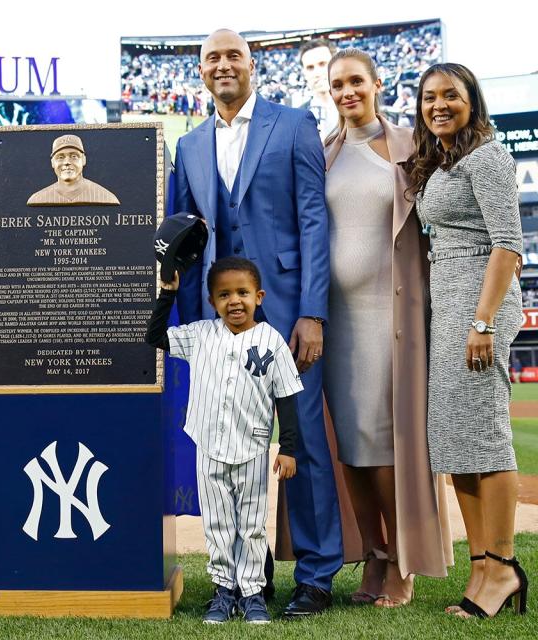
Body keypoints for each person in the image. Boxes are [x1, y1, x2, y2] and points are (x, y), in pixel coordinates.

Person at [174, 29, 342, 617]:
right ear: (200, 71)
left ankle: (317, 574)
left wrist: (313, 313)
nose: (223, 64)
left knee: (303, 440)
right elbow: (185, 237)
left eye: (233, 55)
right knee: (230, 446)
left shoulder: (293, 124)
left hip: (289, 306)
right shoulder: (189, 145)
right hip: (219, 318)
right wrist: (189, 318)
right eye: (212, 57)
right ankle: (250, 577)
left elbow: (314, 220)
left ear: (252, 64)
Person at [322, 48, 451, 608]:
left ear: (376, 84)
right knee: (348, 445)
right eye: (337, 85)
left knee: (385, 446)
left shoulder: (409, 147)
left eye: (356, 82)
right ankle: (372, 557)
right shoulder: (321, 153)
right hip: (334, 323)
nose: (347, 92)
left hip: (390, 318)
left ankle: (401, 560)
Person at [408, 63, 528, 619]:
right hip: (447, 308)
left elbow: (508, 244)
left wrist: (482, 322)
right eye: (430, 97)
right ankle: (481, 566)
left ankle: (502, 568)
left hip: (477, 310)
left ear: (472, 100)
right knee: (455, 443)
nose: (439, 105)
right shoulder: (446, 158)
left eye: (450, 95)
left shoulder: (488, 156)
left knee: (485, 437)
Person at [147, 258, 301, 624]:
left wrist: (290, 448)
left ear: (258, 296)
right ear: (213, 300)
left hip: (253, 449)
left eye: (243, 293)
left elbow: (288, 397)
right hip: (210, 446)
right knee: (217, 524)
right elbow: (155, 336)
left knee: (250, 525)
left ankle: (252, 594)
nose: (235, 301)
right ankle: (223, 591)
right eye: (224, 294)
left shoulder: (272, 341)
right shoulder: (201, 335)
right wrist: (167, 293)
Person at [26, 134, 120, 206]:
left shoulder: (105, 197)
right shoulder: (37, 199)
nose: (67, 162)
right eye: (60, 157)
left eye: (74, 156)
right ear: (52, 163)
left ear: (83, 160)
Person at [297, 39, 339, 141]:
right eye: (310, 68)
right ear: (304, 73)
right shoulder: (298, 117)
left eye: (323, 64)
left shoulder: (356, 105)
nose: (317, 73)